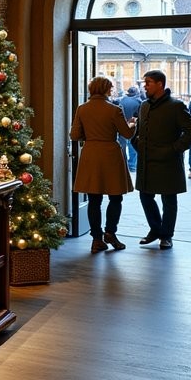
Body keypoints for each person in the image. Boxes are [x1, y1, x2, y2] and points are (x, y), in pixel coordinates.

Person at [132, 70, 191, 249]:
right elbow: (139, 130)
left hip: (168, 161)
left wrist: (174, 149)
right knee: (145, 196)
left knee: (168, 199)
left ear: (160, 84)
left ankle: (167, 235)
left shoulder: (176, 105)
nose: (145, 86)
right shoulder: (144, 105)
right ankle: (155, 229)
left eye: (148, 82)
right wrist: (136, 143)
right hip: (146, 161)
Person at [70, 75, 135, 253]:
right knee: (116, 197)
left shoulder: (82, 109)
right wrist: (132, 124)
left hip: (90, 154)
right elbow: (127, 134)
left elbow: (74, 135)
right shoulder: (114, 110)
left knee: (94, 199)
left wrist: (90, 137)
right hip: (110, 155)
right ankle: (110, 233)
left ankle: (96, 239)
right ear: (106, 89)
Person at [117, 85, 142, 172]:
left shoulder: (122, 100)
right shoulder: (138, 101)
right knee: (132, 146)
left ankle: (123, 164)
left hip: (122, 126)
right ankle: (132, 166)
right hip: (133, 126)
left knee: (122, 146)